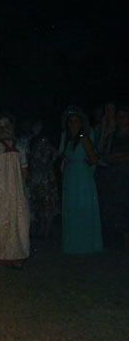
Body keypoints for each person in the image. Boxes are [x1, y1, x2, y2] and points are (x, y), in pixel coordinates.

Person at [0, 116, 30, 268]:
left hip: (0, 191)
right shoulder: (20, 147)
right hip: (17, 193)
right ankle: (16, 256)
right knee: (16, 222)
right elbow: (24, 172)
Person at [59, 106, 103, 254]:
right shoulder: (67, 139)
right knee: (72, 207)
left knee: (82, 206)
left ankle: (85, 244)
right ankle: (74, 243)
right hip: (70, 175)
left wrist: (84, 165)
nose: (73, 124)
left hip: (81, 176)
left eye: (76, 121)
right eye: (71, 121)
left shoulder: (84, 138)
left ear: (81, 123)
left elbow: (94, 158)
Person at [98, 105, 129, 248]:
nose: (121, 120)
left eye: (124, 117)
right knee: (116, 206)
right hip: (115, 176)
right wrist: (119, 157)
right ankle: (119, 239)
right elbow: (105, 156)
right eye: (119, 117)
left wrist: (117, 157)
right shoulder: (112, 136)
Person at [27, 121, 60, 238]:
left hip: (45, 176)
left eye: (38, 126)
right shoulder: (32, 139)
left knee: (48, 202)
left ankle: (46, 229)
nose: (35, 127)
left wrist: (47, 164)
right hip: (37, 175)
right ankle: (43, 228)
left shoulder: (43, 139)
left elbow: (55, 152)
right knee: (40, 202)